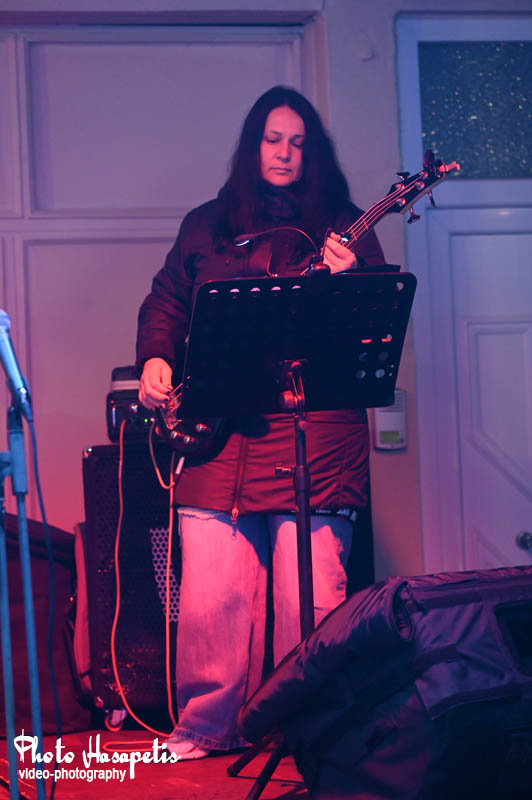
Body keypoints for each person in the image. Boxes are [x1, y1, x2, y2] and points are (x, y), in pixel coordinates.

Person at [136, 85, 385, 760]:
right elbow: (167, 300)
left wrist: (351, 278)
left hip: (314, 437)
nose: (284, 153)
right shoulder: (207, 223)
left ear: (313, 153)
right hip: (220, 437)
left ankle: (307, 733)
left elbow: (373, 323)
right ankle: (206, 728)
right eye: (273, 140)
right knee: (210, 599)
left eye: (298, 143)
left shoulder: (343, 224)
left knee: (310, 598)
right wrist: (156, 358)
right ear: (253, 147)